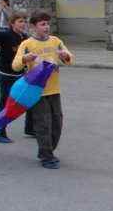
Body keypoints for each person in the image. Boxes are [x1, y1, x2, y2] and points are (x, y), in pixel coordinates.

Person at [12, 9, 74, 169]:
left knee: (57, 123)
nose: (46, 27)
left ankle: (47, 151)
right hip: (37, 92)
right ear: (33, 27)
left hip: (54, 90)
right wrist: (25, 58)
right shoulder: (27, 44)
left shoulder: (55, 41)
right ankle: (47, 157)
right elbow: (15, 65)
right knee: (43, 124)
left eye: (48, 24)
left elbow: (70, 58)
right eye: (42, 24)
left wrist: (65, 56)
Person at [0, 10, 35, 143]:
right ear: (12, 23)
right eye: (20, 21)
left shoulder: (25, 38)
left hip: (22, 75)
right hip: (7, 76)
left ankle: (30, 128)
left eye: (25, 21)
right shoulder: (5, 36)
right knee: (5, 105)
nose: (23, 24)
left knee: (29, 101)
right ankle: (0, 133)